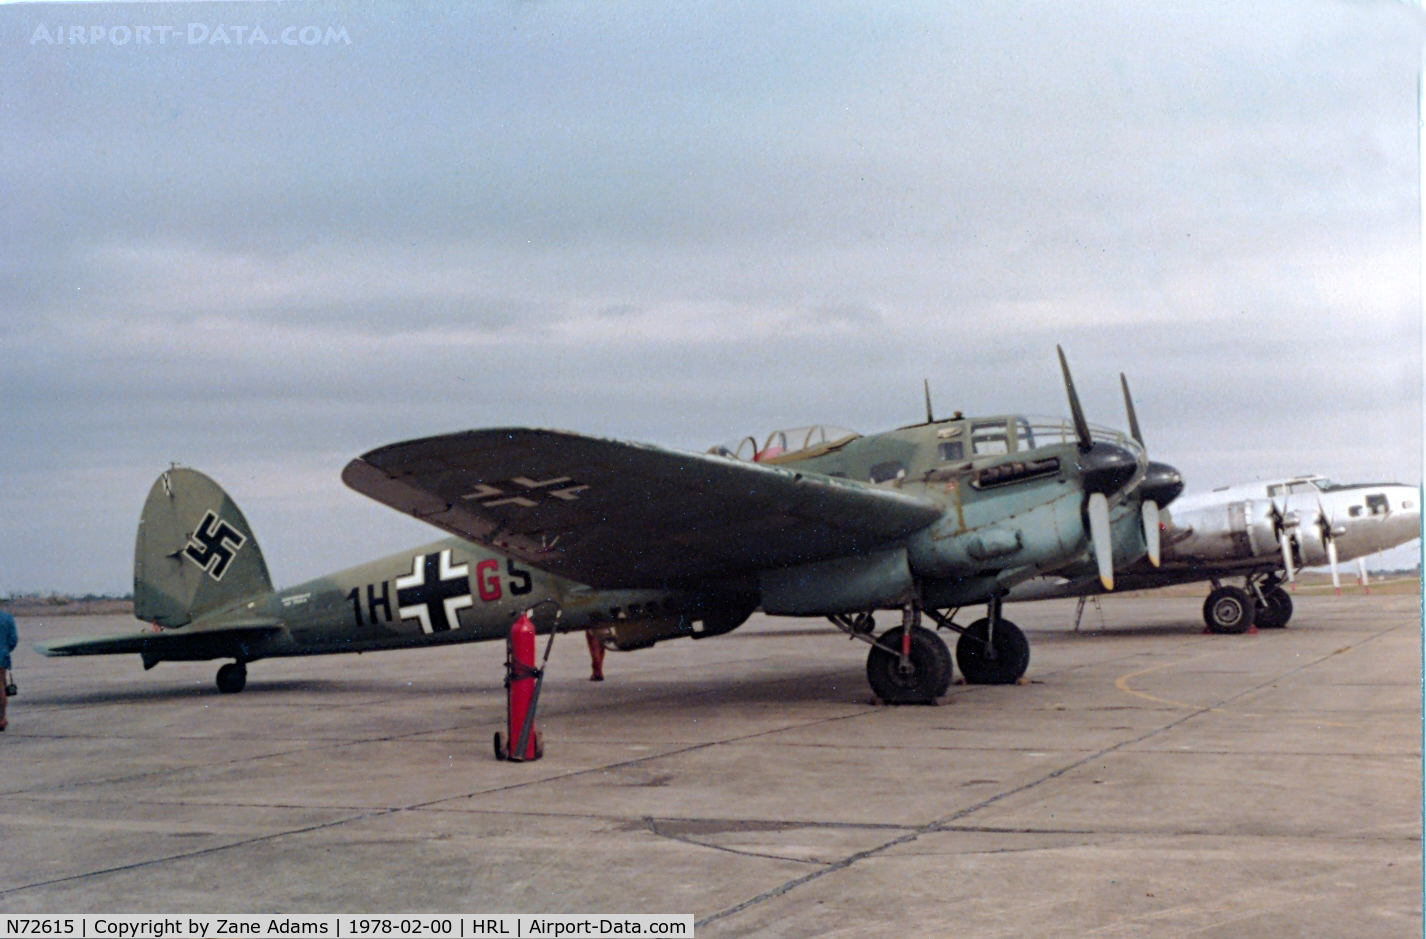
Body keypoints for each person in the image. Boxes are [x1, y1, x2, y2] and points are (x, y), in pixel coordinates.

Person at [0, 608, 16, 732]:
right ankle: (2, 718)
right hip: (2, 657)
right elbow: (13, 640)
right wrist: (5, 650)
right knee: (0, 685)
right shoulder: (7, 618)